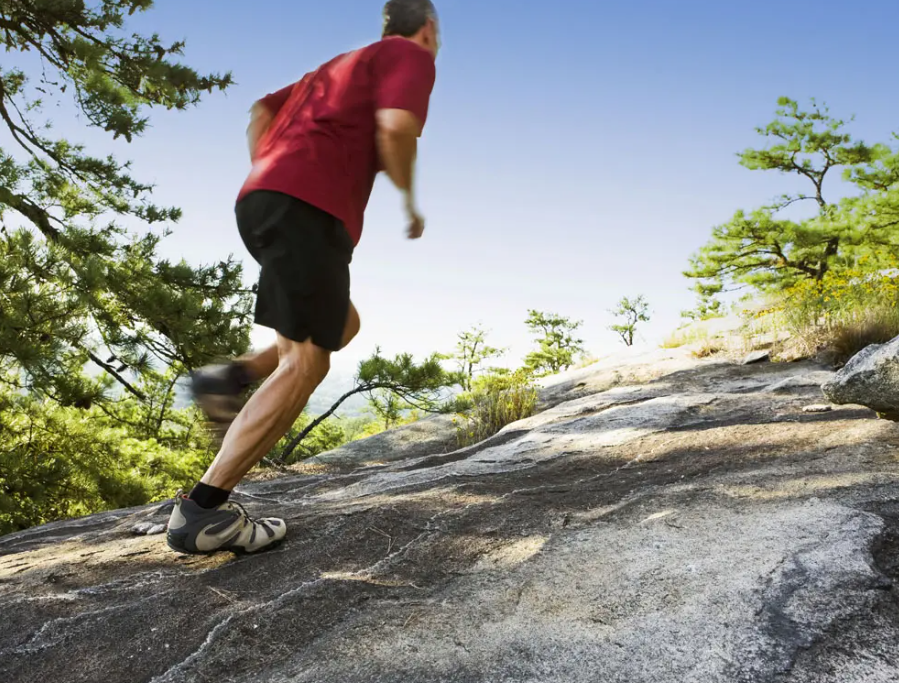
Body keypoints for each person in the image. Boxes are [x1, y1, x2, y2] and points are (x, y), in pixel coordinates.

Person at [166, 0, 440, 555]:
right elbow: (396, 129)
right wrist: (410, 201)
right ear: (428, 28)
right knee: (308, 361)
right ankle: (202, 513)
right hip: (306, 208)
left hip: (264, 201)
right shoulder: (409, 55)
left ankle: (230, 378)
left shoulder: (334, 68)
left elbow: (259, 114)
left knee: (342, 324)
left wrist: (275, 169)